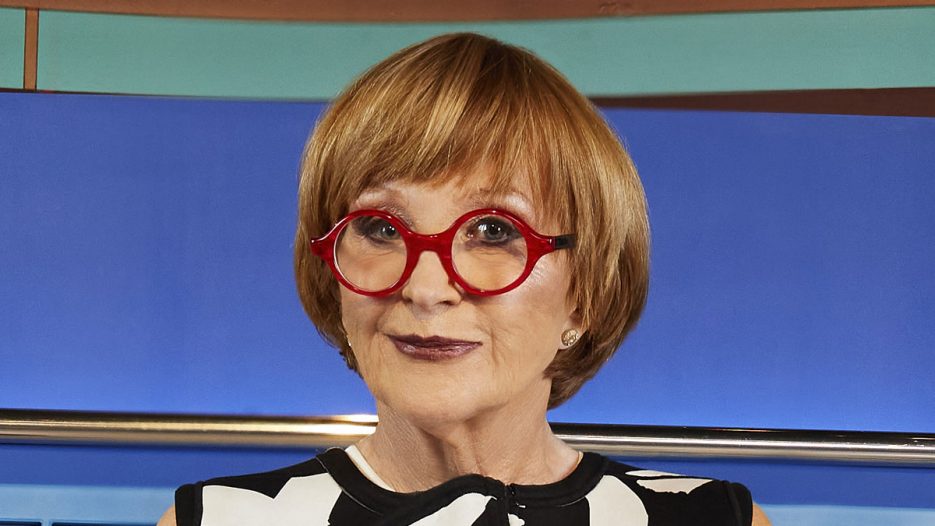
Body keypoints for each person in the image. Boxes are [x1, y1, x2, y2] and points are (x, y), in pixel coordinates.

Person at [159, 32, 770, 525]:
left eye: (494, 232)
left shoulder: (714, 520)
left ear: (585, 294)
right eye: (380, 228)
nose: (426, 289)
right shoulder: (216, 520)